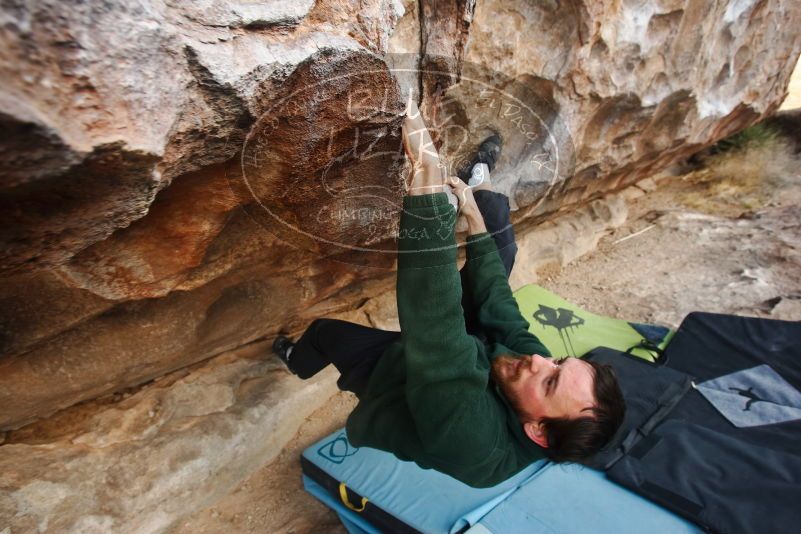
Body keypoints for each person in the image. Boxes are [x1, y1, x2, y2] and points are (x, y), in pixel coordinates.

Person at [272, 100, 625, 488]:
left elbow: (436, 326)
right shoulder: (535, 370)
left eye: (551, 382)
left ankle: (295, 361)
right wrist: (472, 217)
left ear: (538, 431)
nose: (541, 360)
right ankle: (478, 181)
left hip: (399, 381)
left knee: (325, 333)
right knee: (498, 250)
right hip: (467, 352)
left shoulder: (476, 445)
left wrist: (427, 175)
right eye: (559, 363)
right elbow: (501, 309)